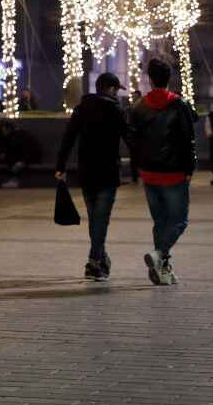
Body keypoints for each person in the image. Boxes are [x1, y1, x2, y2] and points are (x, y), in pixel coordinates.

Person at [55, 72, 132, 281]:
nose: (117, 93)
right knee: (101, 219)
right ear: (110, 88)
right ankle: (93, 262)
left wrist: (60, 166)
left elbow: (68, 138)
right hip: (108, 172)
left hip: (87, 172)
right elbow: (130, 139)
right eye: (116, 89)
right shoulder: (116, 110)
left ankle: (101, 258)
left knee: (95, 219)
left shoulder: (81, 109)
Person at [128, 58, 196, 286]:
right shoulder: (178, 105)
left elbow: (132, 139)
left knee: (160, 221)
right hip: (174, 173)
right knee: (179, 221)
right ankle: (159, 255)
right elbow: (188, 139)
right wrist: (189, 169)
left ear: (149, 78)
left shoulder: (139, 107)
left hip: (149, 173)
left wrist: (140, 163)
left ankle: (163, 268)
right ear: (170, 78)